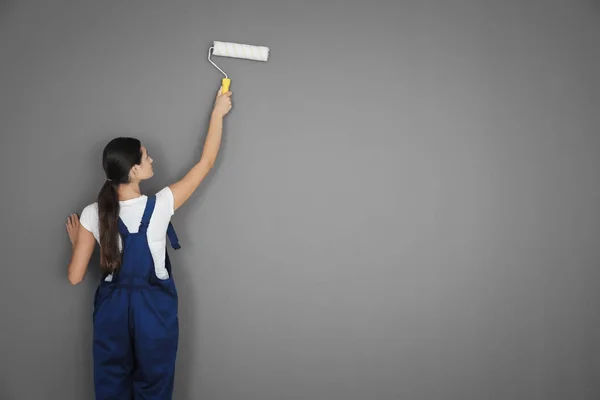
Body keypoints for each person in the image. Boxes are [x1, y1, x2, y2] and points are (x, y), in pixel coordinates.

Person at [64, 87, 232, 399]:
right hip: (154, 307)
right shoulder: (163, 204)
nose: (152, 158)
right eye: (146, 156)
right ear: (134, 170)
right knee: (154, 383)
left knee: (111, 382)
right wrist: (217, 113)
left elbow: (75, 277)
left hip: (112, 308)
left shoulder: (92, 213)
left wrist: (80, 241)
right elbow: (205, 163)